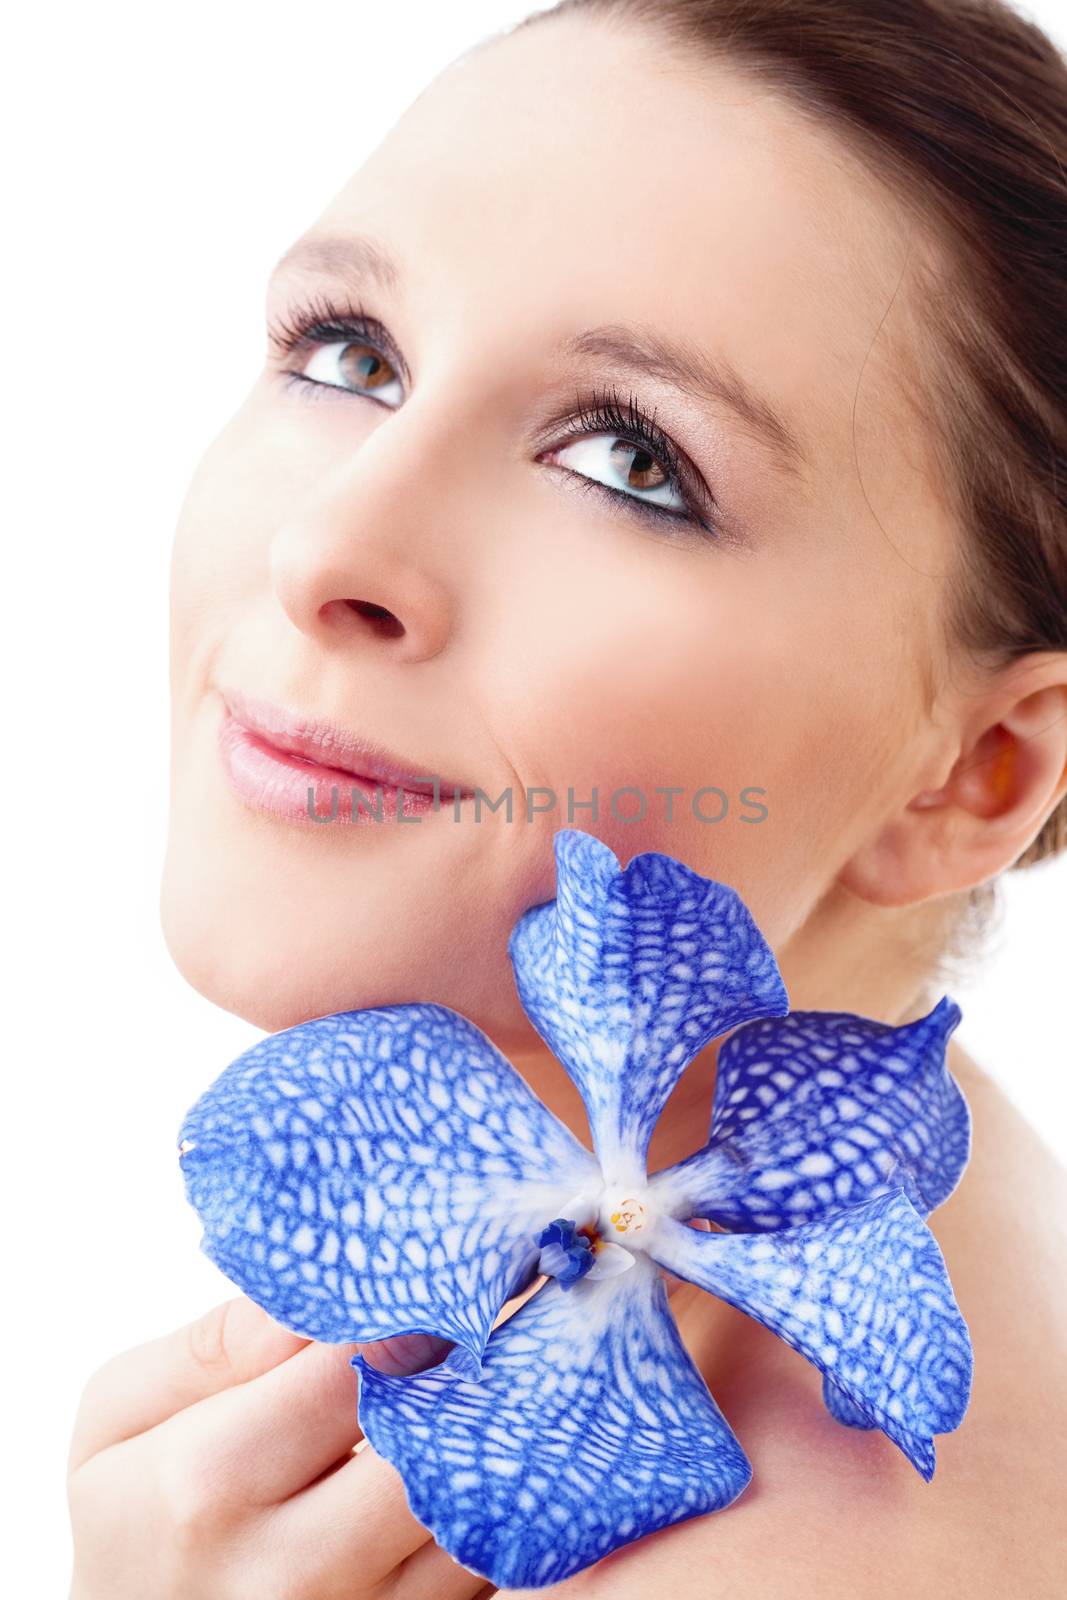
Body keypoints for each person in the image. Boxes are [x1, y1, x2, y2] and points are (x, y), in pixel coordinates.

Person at [67, 0, 1067, 1594]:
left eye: (628, 464)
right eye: (350, 351)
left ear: (976, 774)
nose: (326, 548)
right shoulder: (963, 1202)